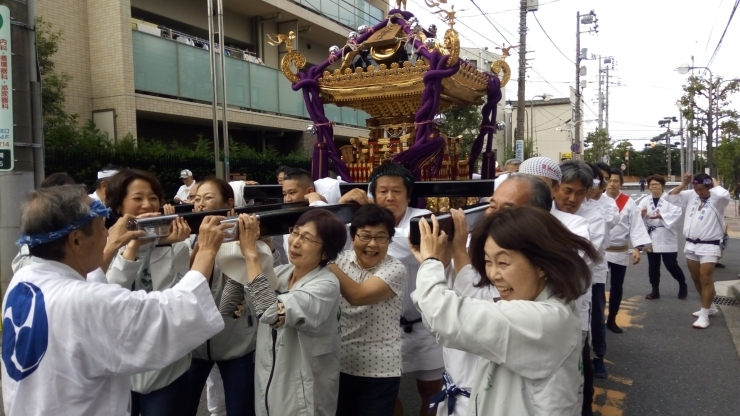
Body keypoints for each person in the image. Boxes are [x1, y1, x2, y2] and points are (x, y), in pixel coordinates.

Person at [2, 185, 226, 415]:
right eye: (102, 229)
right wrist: (207, 249)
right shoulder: (84, 301)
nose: (108, 235)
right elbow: (176, 311)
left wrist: (116, 243)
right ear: (76, 240)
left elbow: (87, 282)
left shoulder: (25, 280)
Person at [412, 207, 598, 415]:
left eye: (503, 262)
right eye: (488, 261)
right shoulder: (546, 303)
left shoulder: (543, 320)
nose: (493, 274)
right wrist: (447, 257)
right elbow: (457, 306)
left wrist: (431, 262)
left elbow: (444, 314)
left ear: (541, 264)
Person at [438, 174, 563, 416]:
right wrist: (445, 252)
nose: (492, 215)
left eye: (507, 210)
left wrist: (436, 260)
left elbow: (473, 311)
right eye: (492, 205)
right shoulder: (474, 240)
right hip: (457, 382)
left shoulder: (538, 261)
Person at [339, 163, 441, 416]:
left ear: (408, 196)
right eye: (382, 191)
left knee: (430, 389)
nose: (390, 197)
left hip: (423, 324)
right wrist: (341, 207)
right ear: (373, 194)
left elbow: (405, 246)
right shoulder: (362, 222)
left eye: (397, 191)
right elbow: (336, 240)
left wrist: (365, 224)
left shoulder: (422, 218)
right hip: (383, 328)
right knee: (386, 392)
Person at [181, 178, 276, 416]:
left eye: (208, 197)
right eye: (196, 199)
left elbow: (268, 281)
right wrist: (200, 245)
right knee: (182, 407)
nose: (200, 204)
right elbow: (185, 284)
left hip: (238, 343)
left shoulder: (248, 236)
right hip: (194, 346)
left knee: (240, 409)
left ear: (229, 203)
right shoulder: (185, 239)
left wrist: (262, 242)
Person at [238, 209, 347, 416]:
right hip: (268, 383)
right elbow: (233, 307)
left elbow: (270, 313)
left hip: (302, 393)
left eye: (307, 238)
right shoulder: (281, 273)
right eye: (295, 232)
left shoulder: (325, 285)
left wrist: (250, 253)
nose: (295, 242)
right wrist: (256, 247)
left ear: (326, 253)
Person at [104, 169, 193, 415]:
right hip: (120, 365)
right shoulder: (107, 242)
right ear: (119, 206)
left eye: (153, 197)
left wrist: (168, 245)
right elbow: (108, 296)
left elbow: (175, 299)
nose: (147, 204)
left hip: (165, 364)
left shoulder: (176, 242)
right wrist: (133, 247)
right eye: (137, 198)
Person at [328, 204, 407, 416]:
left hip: (380, 370)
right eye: (365, 236)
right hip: (340, 363)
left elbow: (358, 296)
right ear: (352, 237)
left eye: (381, 237)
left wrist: (326, 263)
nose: (372, 244)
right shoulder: (340, 259)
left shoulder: (395, 268)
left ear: (389, 241)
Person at [552, 161, 608, 412]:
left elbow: (576, 260)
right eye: (567, 190)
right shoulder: (544, 210)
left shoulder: (594, 219)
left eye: (580, 193)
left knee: (577, 368)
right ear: (555, 188)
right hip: (539, 304)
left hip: (574, 302)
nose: (573, 198)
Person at [664, 172, 730, 329]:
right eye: (696, 188)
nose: (698, 192)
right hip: (691, 244)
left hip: (710, 244)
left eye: (701, 189)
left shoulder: (718, 199)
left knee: (705, 277)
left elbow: (722, 194)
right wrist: (683, 183)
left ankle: (705, 314)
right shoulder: (692, 194)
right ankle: (710, 306)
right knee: (695, 278)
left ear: (709, 187)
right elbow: (670, 198)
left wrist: (714, 181)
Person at [604, 168, 651, 334]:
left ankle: (612, 319)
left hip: (620, 250)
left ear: (621, 183)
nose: (611, 184)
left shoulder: (629, 202)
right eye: (609, 180)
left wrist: (638, 248)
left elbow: (636, 226)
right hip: (600, 251)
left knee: (617, 286)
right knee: (598, 285)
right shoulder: (598, 199)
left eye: (615, 181)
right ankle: (597, 316)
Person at [585, 163, 619, 380]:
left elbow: (610, 221)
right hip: (573, 272)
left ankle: (599, 356)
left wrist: (595, 202)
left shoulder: (607, 204)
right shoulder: (575, 201)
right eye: (599, 180)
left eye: (604, 180)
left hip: (595, 268)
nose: (603, 185)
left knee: (596, 314)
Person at [638, 175, 688, 300]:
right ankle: (655, 290)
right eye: (651, 184)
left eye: (657, 184)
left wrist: (662, 216)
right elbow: (637, 214)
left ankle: (682, 283)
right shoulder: (645, 200)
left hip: (666, 234)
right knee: (653, 265)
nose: (654, 186)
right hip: (651, 237)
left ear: (662, 186)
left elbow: (677, 212)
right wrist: (642, 214)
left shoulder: (670, 199)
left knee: (671, 264)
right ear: (648, 187)